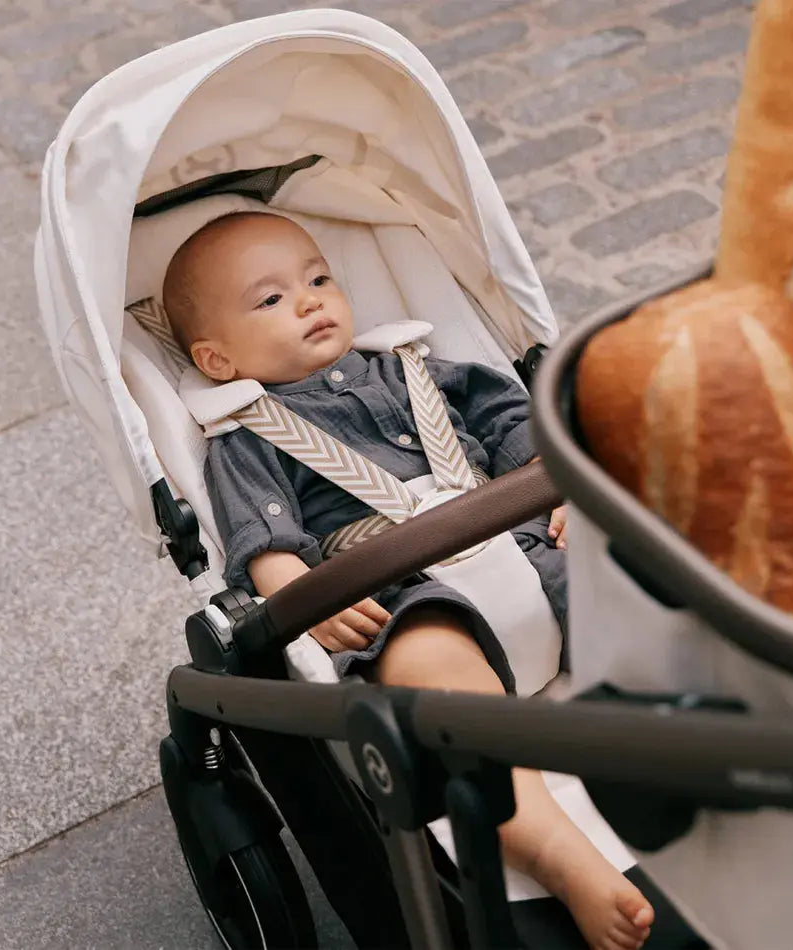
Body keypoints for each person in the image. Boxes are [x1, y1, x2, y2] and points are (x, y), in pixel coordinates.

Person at [163, 210, 654, 950]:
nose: (309, 300)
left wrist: (558, 489)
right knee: (439, 688)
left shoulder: (417, 366)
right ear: (218, 360)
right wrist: (304, 597)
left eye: (318, 277)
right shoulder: (247, 438)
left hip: (525, 544)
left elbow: (515, 421)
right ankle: (559, 853)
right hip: (408, 594)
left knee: (636, 596)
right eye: (270, 300)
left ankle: (690, 742)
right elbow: (262, 541)